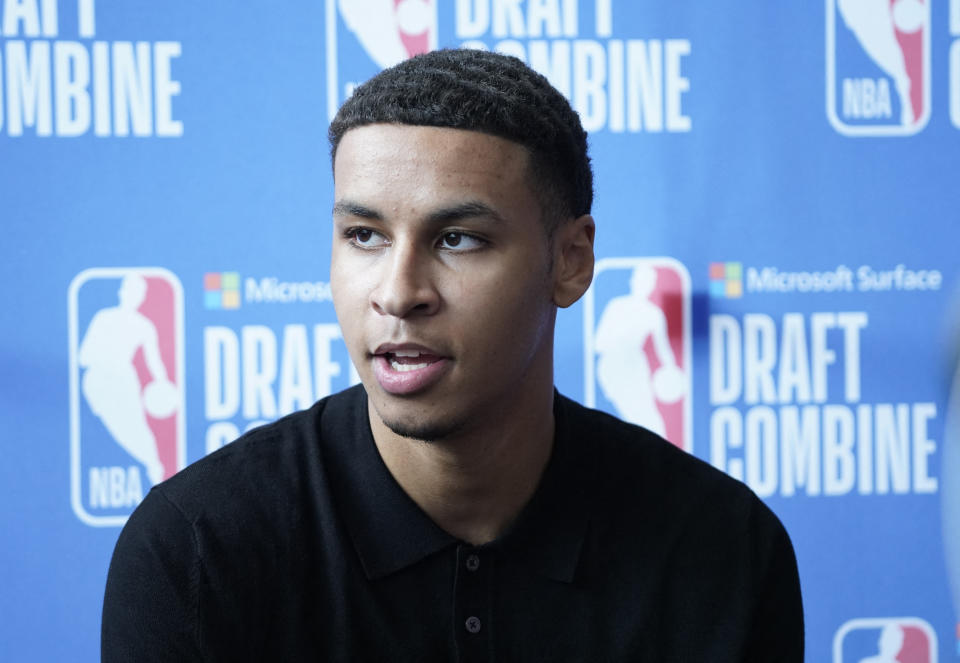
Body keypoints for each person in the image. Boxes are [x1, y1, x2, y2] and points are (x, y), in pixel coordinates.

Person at [102, 48, 803, 661]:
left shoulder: (723, 550)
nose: (399, 293)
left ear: (571, 260)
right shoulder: (196, 550)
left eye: (457, 238)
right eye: (365, 235)